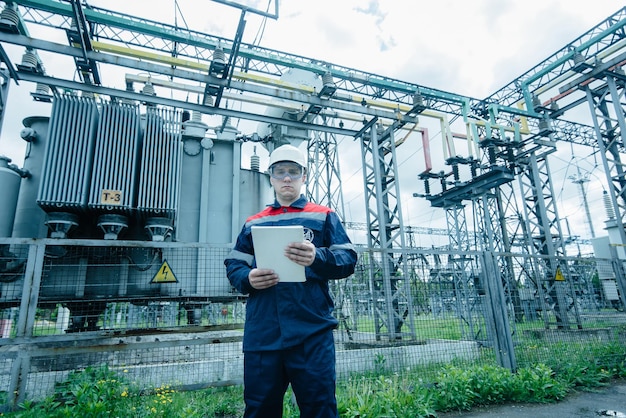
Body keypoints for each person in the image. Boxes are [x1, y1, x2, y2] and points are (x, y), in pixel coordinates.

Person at [224, 144, 358, 418]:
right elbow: (234, 264)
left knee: (319, 408)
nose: (287, 178)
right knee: (260, 409)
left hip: (310, 332)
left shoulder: (324, 216)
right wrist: (247, 278)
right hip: (264, 335)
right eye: (280, 172)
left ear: (304, 176)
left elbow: (348, 260)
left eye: (293, 172)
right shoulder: (253, 223)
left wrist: (317, 257)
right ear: (270, 177)